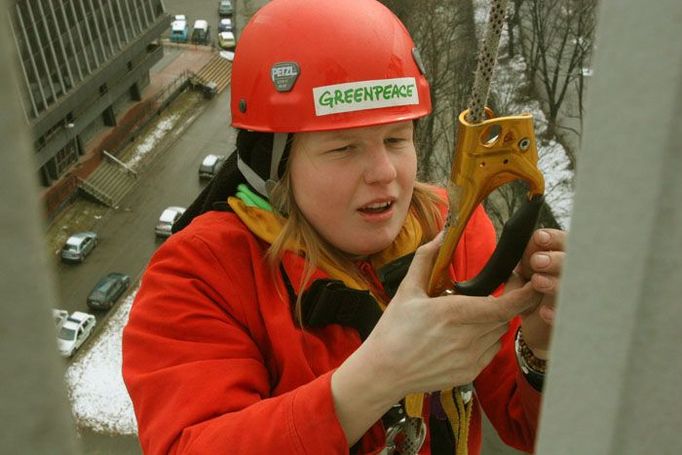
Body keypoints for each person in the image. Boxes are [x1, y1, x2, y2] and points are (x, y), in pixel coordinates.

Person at [122, 0, 565, 453]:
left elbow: (532, 429)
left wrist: (542, 349)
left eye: (396, 139)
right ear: (274, 163)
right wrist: (378, 376)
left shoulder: (451, 232)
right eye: (343, 148)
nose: (384, 173)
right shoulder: (199, 276)